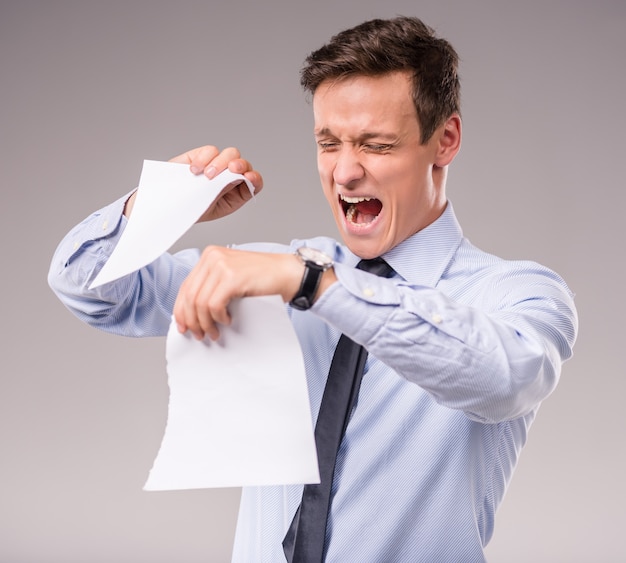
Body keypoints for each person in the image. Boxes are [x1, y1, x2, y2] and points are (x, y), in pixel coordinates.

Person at [48, 16, 577, 563]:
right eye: (329, 143)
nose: (344, 173)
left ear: (444, 140)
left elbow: (503, 379)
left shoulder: (516, 293)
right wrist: (158, 207)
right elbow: (85, 284)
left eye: (376, 144)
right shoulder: (273, 273)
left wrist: (315, 285)